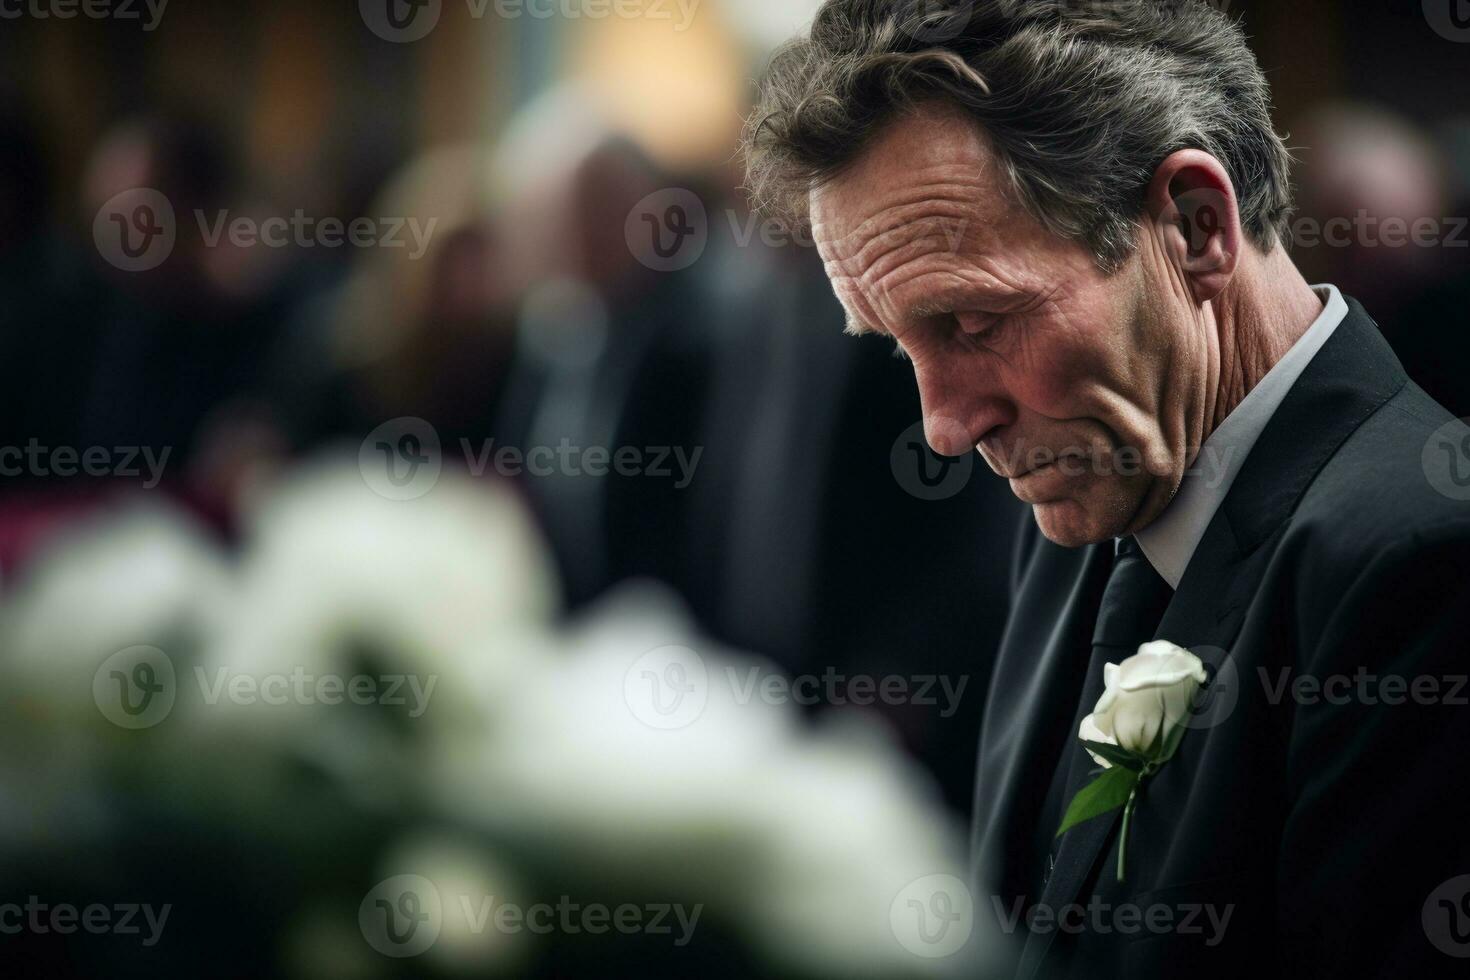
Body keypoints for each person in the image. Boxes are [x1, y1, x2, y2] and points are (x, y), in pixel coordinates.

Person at [745, 1, 1470, 976]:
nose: (947, 426)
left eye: (972, 322)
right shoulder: (1078, 509)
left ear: (1196, 226)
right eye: (899, 346)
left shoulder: (1427, 566)